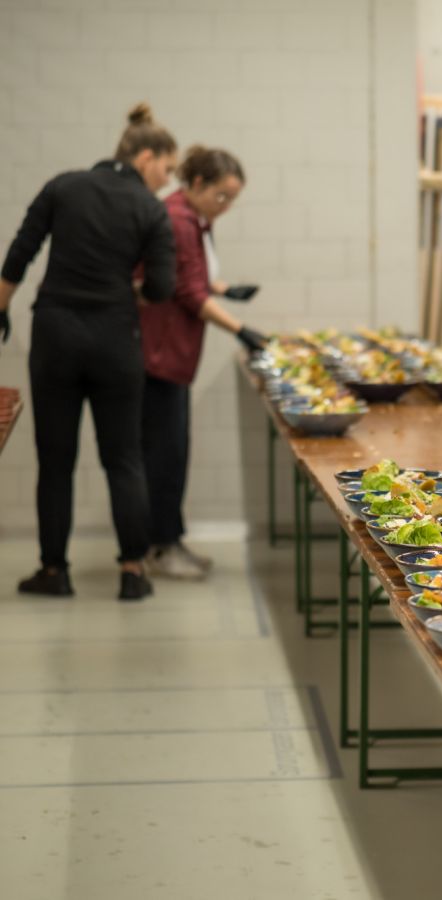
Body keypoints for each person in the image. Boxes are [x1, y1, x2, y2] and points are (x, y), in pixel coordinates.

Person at [0, 103, 177, 601]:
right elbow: (162, 288)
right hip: (116, 339)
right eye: (166, 168)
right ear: (145, 157)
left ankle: (54, 572)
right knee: (124, 458)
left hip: (55, 334)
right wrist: (125, 295)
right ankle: (132, 572)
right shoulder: (150, 209)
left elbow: (21, 250)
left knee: (54, 460)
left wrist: (2, 307)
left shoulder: (63, 186)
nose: (167, 180)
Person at [140, 146, 267, 580]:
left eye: (232, 199)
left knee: (170, 452)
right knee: (165, 455)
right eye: (221, 196)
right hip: (159, 354)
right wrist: (241, 329)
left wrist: (225, 289)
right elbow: (190, 295)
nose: (225, 207)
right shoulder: (178, 219)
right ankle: (161, 548)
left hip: (169, 352)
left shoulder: (192, 216)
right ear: (196, 184)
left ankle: (166, 543)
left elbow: (192, 277)